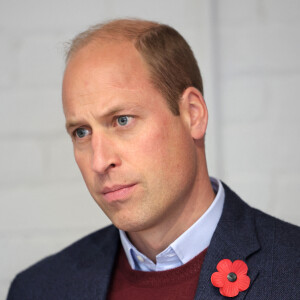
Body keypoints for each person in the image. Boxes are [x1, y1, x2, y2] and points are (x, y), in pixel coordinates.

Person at [7, 19, 299, 300]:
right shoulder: (37, 289)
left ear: (192, 115)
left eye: (122, 120)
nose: (99, 161)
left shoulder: (291, 270)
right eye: (81, 132)